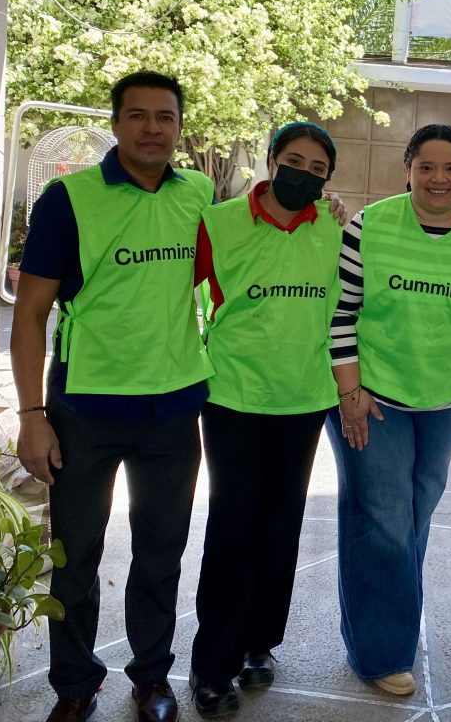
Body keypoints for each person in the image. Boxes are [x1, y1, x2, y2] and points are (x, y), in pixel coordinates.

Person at [11, 71, 213, 722]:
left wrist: (326, 210)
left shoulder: (202, 195)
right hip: (84, 409)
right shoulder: (69, 199)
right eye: (138, 116)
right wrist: (32, 416)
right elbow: (30, 312)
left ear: (180, 126)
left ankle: (152, 679)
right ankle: (74, 687)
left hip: (175, 409)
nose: (153, 128)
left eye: (165, 117)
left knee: (160, 555)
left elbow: (263, 234)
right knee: (74, 559)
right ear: (117, 122)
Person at [325, 123, 451, 696]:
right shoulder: (370, 226)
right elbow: (341, 314)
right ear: (407, 169)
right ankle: (382, 653)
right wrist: (351, 395)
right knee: (382, 519)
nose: (438, 178)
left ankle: (390, 621)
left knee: (413, 518)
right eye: (426, 166)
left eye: (450, 167)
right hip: (372, 396)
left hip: (444, 401)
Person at [187, 122, 343, 718]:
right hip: (232, 399)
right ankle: (212, 667)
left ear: (328, 180)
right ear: (273, 160)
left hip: (303, 400)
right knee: (232, 530)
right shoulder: (220, 223)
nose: (305, 173)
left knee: (282, 529)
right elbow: (176, 297)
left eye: (319, 168)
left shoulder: (334, 226)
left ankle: (260, 645)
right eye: (294, 160)